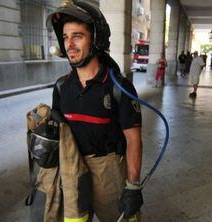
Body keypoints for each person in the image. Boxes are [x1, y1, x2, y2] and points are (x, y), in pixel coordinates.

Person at [47, 1, 143, 221]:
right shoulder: (62, 87)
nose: (69, 44)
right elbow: (59, 131)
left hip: (108, 171)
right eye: (65, 37)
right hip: (72, 170)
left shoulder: (119, 87)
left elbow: (134, 140)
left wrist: (133, 186)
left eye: (77, 36)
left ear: (96, 40)